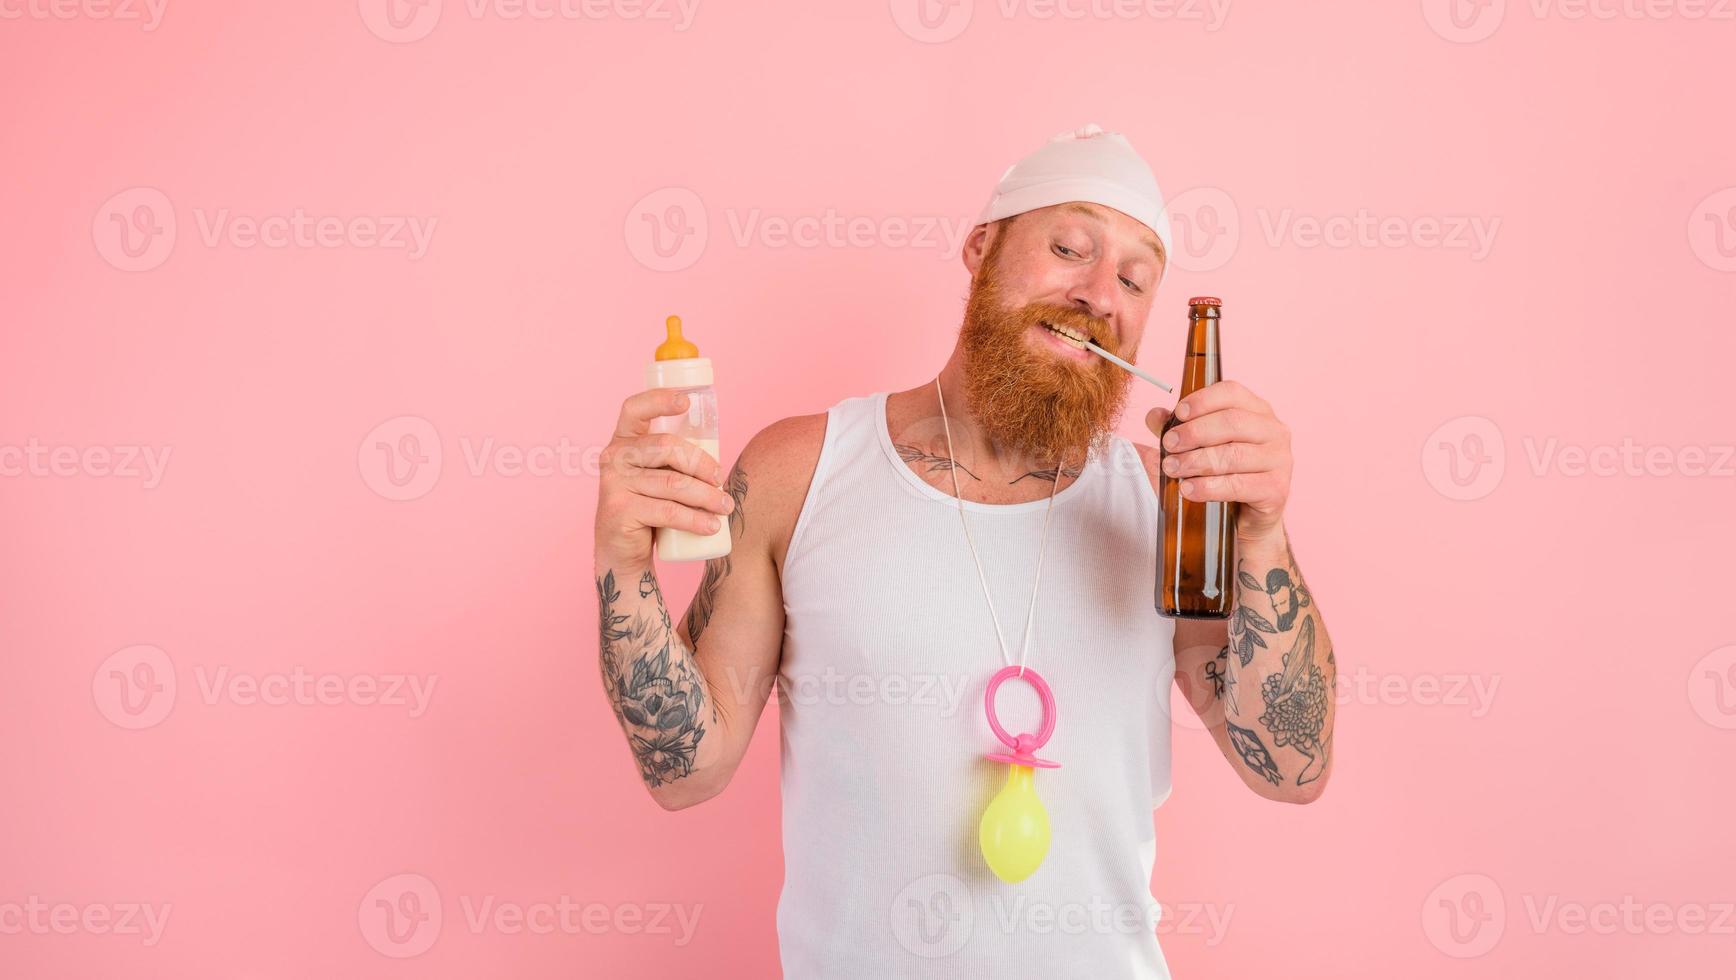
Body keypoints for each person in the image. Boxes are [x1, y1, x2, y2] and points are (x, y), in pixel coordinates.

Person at [593, 124, 1337, 978]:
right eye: (1069, 246)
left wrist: (1264, 535)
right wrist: (621, 567)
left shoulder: (1167, 510)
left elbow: (1291, 768)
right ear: (981, 249)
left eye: (1134, 279)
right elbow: (685, 770)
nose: (1101, 294)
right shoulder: (799, 471)